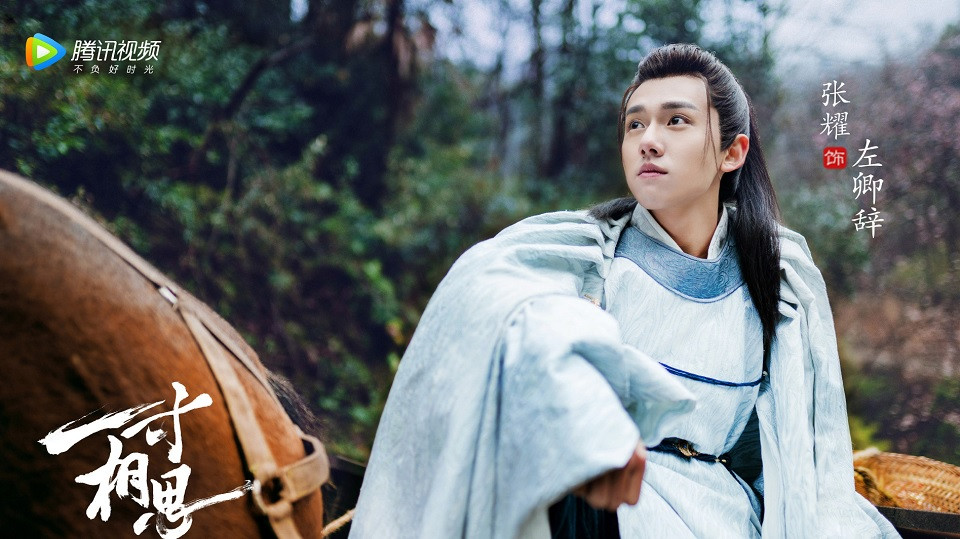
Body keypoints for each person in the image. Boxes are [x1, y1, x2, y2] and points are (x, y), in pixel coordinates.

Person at [350, 43, 899, 538]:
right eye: (635, 125)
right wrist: (592, 418)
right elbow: (496, 303)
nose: (648, 141)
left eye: (676, 120)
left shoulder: (777, 279)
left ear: (732, 153)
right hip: (603, 509)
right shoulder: (582, 254)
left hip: (724, 517)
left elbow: (795, 451)